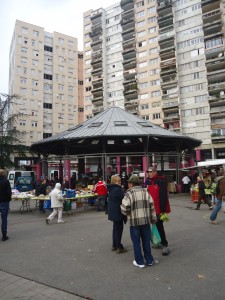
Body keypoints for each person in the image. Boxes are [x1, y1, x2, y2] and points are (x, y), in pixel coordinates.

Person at [121, 175, 156, 268]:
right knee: (146, 241)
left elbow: (124, 209)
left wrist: (129, 213)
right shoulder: (146, 192)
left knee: (136, 242)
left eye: (129, 183)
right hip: (146, 221)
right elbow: (152, 206)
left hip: (134, 222)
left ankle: (140, 262)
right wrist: (153, 218)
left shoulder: (129, 194)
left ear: (131, 184)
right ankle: (149, 260)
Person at [145, 166, 171, 256]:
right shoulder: (148, 182)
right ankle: (156, 242)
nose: (149, 173)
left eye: (150, 171)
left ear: (155, 172)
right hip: (150, 208)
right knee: (150, 226)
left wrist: (162, 211)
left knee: (159, 226)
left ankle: (165, 245)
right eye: (147, 171)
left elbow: (163, 197)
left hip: (159, 209)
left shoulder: (161, 181)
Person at [107, 175, 127, 254]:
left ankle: (114, 245)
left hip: (113, 212)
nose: (119, 182)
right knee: (119, 229)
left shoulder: (111, 189)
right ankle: (119, 246)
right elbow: (124, 198)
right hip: (118, 212)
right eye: (117, 181)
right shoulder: (117, 190)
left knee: (115, 229)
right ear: (114, 182)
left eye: (120, 181)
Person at [0, 169, 12, 241]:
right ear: (3, 174)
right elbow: (8, 192)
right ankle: (4, 235)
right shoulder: (6, 181)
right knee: (4, 219)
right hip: (4, 202)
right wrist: (8, 199)